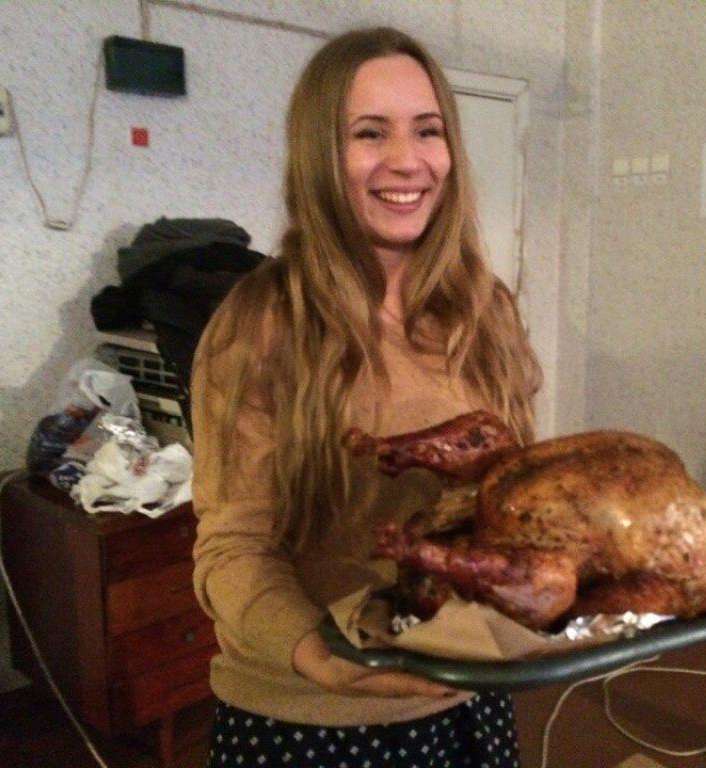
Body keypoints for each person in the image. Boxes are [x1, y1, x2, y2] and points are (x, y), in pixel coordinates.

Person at [190, 25, 542, 768]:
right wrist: (318, 655)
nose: (406, 160)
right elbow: (233, 547)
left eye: (428, 130)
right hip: (311, 717)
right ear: (321, 154)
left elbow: (513, 503)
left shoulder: (485, 313)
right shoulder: (259, 325)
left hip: (468, 695)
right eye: (370, 133)